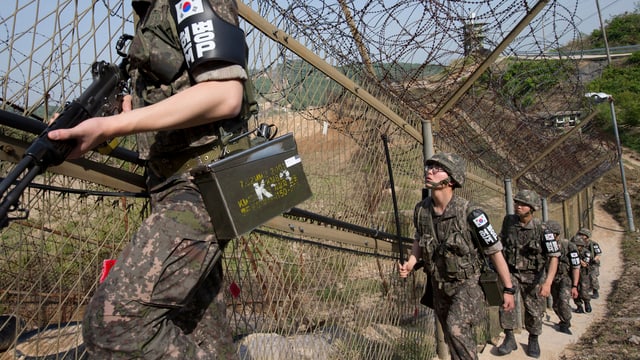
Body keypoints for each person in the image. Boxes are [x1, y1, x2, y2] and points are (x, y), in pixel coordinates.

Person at [47, 0, 250, 358]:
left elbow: (224, 94)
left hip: (204, 183)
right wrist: (123, 110)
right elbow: (179, 86)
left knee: (113, 324)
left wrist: (112, 125)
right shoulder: (149, 8)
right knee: (200, 330)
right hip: (172, 182)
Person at [398, 153, 515, 360]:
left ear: (451, 179)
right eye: (429, 167)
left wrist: (508, 289)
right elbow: (419, 237)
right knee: (453, 339)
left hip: (467, 286)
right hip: (439, 285)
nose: (430, 171)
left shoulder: (472, 213)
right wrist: (411, 262)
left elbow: (494, 251)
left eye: (438, 168)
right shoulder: (421, 210)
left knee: (456, 329)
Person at [496, 189, 559, 358]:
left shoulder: (543, 229)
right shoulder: (509, 222)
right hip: (511, 272)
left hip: (534, 276)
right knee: (505, 303)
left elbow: (554, 257)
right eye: (517, 203)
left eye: (523, 204)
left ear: (532, 208)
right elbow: (500, 243)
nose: (518, 206)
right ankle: (509, 338)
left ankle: (533, 339)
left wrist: (548, 283)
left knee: (534, 310)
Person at [545, 220, 580, 335]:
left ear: (557, 235)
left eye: (552, 234)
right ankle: (562, 319)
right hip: (550, 279)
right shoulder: (543, 245)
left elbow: (575, 266)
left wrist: (574, 286)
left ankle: (566, 322)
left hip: (565, 278)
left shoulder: (568, 246)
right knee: (555, 303)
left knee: (563, 301)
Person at [577, 228, 603, 299]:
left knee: (592, 276)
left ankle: (595, 290)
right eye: (580, 234)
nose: (580, 236)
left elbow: (598, 253)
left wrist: (595, 259)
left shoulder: (593, 244)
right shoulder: (577, 243)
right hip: (582, 262)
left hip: (592, 263)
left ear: (587, 236)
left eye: (582, 235)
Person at [572, 233, 594, 313]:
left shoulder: (586, 253)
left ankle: (587, 303)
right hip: (573, 273)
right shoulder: (571, 252)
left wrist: (577, 258)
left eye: (578, 246)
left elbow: (585, 263)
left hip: (583, 273)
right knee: (575, 290)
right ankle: (579, 306)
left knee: (584, 290)